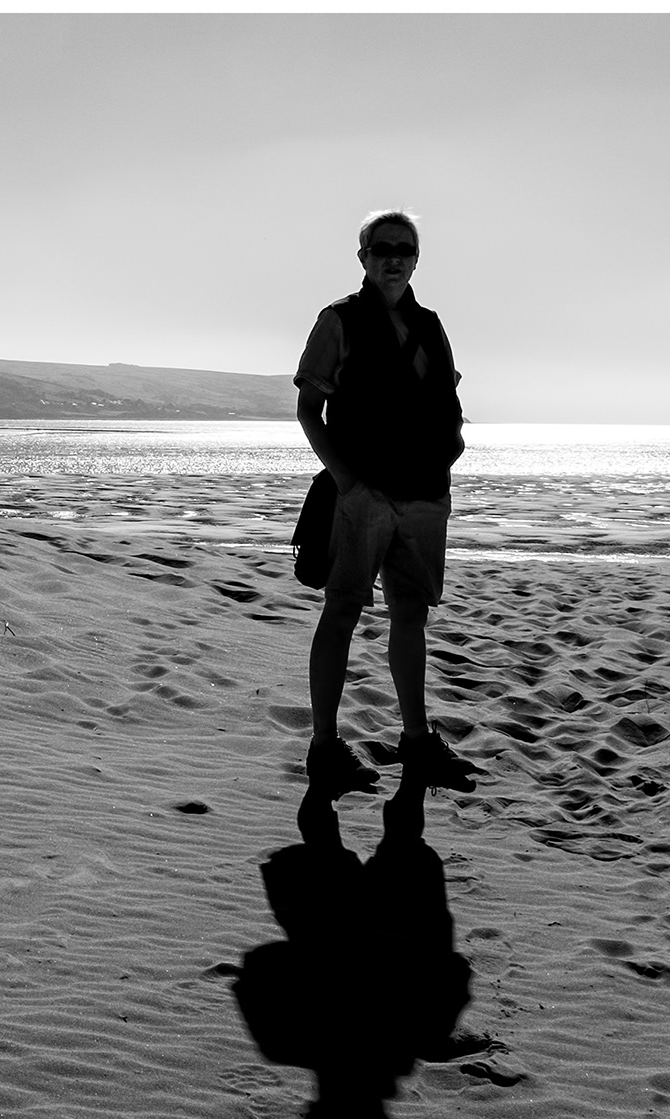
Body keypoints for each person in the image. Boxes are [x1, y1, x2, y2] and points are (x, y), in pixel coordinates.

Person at [294, 209, 479, 797]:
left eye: (404, 248)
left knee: (411, 615)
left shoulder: (430, 324)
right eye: (382, 249)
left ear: (416, 258)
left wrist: (451, 453)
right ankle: (324, 747)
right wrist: (348, 481)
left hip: (425, 496)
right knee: (343, 609)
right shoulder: (339, 321)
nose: (393, 258)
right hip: (363, 497)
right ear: (364, 258)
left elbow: (448, 400)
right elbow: (308, 410)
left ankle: (416, 742)